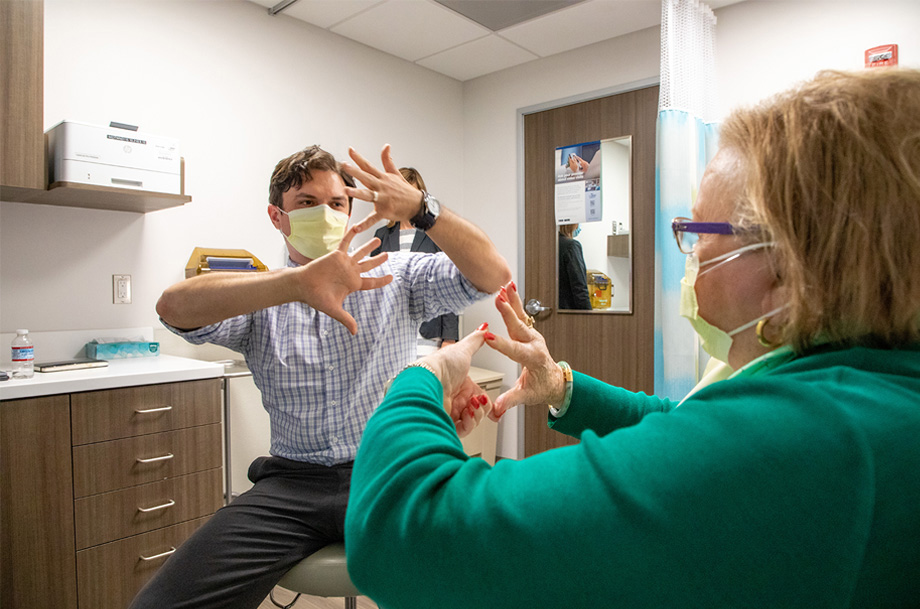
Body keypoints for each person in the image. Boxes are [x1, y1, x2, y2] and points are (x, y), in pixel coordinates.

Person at [344, 69, 920, 608]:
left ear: (787, 270)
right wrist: (561, 386)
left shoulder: (811, 438)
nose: (688, 258)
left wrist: (419, 379)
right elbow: (683, 420)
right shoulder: (866, 388)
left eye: (698, 234)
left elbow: (408, 529)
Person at [130, 144, 510, 609]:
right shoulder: (261, 297)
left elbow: (492, 275)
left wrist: (423, 208)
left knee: (492, 573)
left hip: (385, 471)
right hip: (290, 486)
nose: (326, 213)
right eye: (307, 203)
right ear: (277, 216)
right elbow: (172, 308)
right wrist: (294, 284)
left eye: (337, 203)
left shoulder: (397, 275)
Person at [371, 167, 459, 348]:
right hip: (389, 334)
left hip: (427, 334)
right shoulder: (381, 236)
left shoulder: (435, 235)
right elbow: (372, 289)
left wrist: (449, 338)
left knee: (421, 376)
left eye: (410, 194)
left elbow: (448, 286)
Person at [557, 223, 592, 309]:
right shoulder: (571, 246)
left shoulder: (546, 244)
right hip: (568, 312)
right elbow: (579, 289)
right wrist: (590, 318)